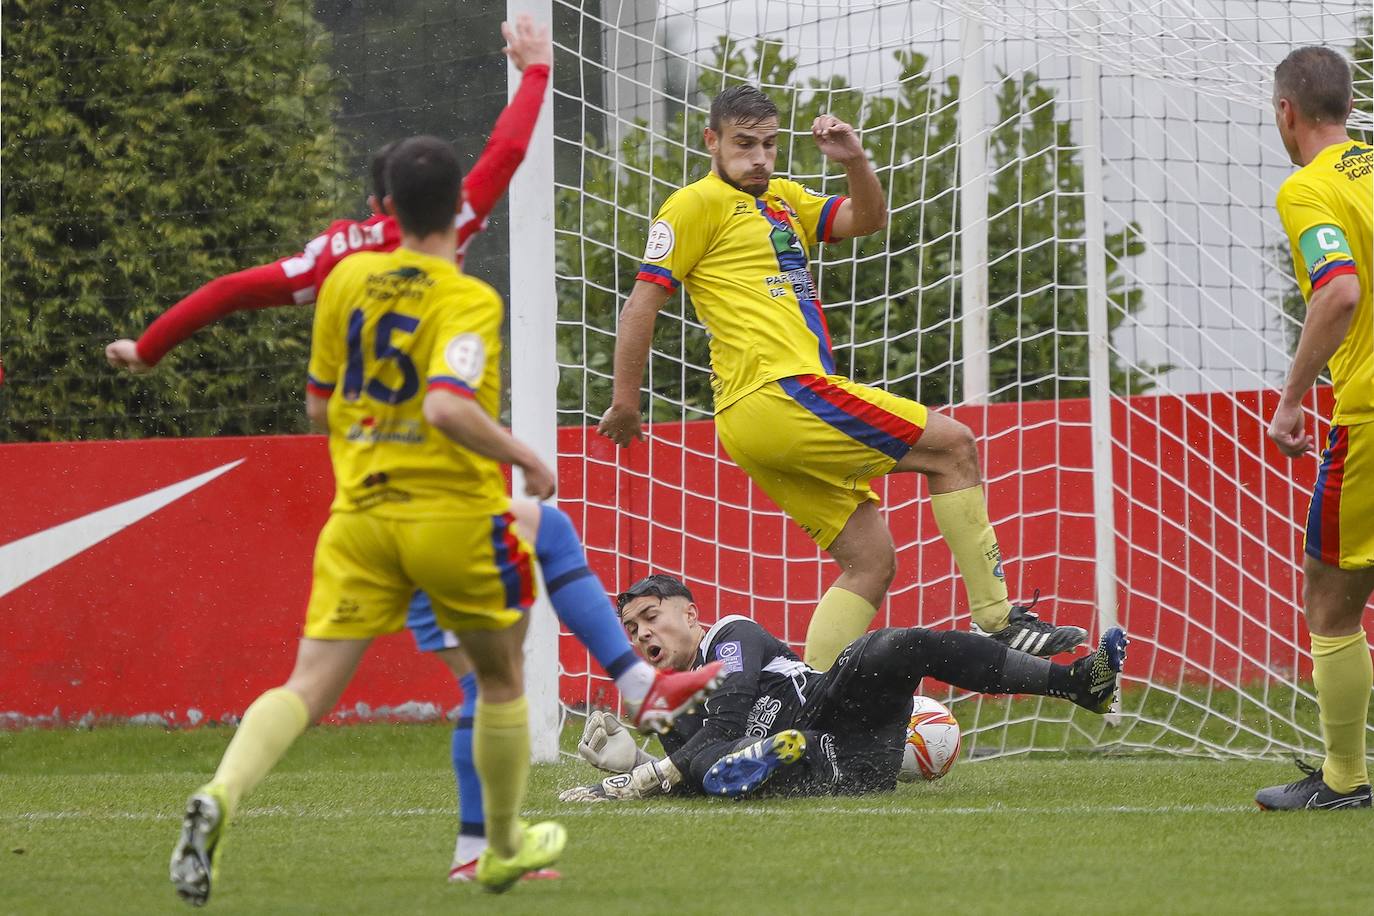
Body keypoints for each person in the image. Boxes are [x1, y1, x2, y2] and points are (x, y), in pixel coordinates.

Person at [109, 19, 693, 880]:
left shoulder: (340, 266)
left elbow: (267, 331)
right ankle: (503, 836)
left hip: (361, 515)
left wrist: (149, 346)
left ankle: (225, 794)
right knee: (500, 677)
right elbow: (502, 165)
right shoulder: (461, 279)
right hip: (447, 519)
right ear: (455, 207)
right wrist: (534, 71)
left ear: (378, 203)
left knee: (313, 684)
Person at [596, 85, 1085, 670]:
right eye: (743, 144)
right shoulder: (692, 205)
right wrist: (626, 403)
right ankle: (1000, 618)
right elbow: (641, 305)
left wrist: (855, 161)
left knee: (871, 560)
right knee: (953, 446)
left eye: (769, 144)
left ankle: (810, 714)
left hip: (756, 420)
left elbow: (867, 218)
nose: (758, 157)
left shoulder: (783, 198)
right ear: (712, 141)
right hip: (780, 392)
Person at [558, 574, 1125, 802]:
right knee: (711, 770)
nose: (642, 634)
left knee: (891, 647)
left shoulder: (730, 635)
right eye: (632, 630)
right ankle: (786, 760)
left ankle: (1077, 682)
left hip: (843, 717)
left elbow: (724, 727)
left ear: (692, 614)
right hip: (842, 775)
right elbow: (696, 776)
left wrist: (641, 773)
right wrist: (633, 760)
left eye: (652, 617)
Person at [1255, 46, 1372, 811]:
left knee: (1332, 601)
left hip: (1367, 413)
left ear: (1287, 112)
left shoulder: (1307, 187)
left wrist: (1293, 398)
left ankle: (1342, 780)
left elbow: (1339, 293)